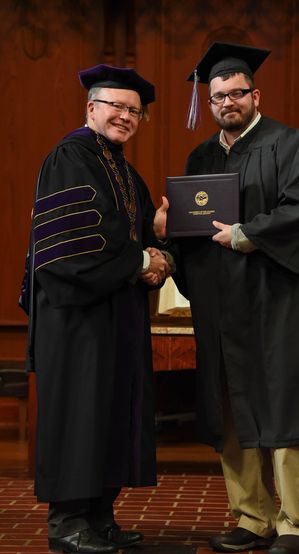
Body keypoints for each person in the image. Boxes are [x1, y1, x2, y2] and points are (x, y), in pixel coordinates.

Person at [158, 42, 299, 554]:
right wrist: (169, 233)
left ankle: (297, 525)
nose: (227, 103)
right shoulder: (202, 157)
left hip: (276, 301)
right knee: (229, 406)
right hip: (221, 306)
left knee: (283, 404)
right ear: (208, 103)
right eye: (217, 97)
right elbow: (193, 231)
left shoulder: (289, 144)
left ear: (255, 94)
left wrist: (244, 234)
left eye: (237, 94)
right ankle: (251, 517)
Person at [20, 64, 172, 554]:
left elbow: (142, 229)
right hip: (76, 318)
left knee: (110, 412)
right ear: (92, 108)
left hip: (116, 313)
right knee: (80, 412)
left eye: (134, 111)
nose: (126, 116)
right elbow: (77, 241)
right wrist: (139, 261)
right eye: (116, 106)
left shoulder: (123, 170)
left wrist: (161, 246)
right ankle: (67, 522)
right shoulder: (71, 156)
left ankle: (100, 516)